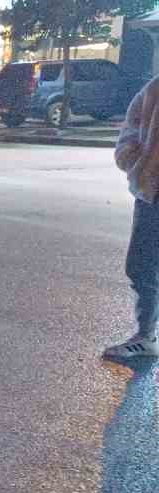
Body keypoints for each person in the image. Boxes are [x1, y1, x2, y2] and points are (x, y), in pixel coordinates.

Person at [106, 74, 159, 361]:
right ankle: (146, 335)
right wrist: (137, 164)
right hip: (153, 192)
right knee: (141, 266)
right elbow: (130, 131)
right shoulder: (154, 88)